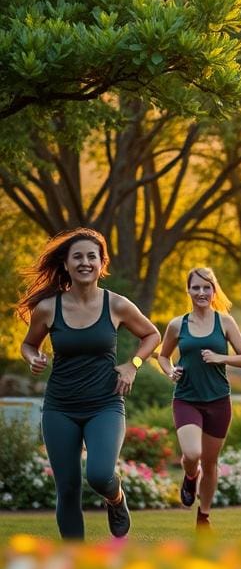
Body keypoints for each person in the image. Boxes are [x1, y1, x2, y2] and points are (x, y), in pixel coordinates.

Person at [17, 228, 161, 541]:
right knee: (67, 488)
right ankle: (75, 564)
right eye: (77, 257)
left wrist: (132, 365)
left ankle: (115, 498)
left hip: (105, 405)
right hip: (60, 407)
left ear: (101, 263)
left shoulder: (117, 305)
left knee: (99, 475)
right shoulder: (48, 308)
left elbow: (152, 335)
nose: (85, 262)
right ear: (66, 265)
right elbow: (28, 344)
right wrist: (32, 357)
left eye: (91, 256)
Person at [157, 267, 241, 531]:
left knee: (210, 462)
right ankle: (190, 476)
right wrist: (169, 370)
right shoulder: (178, 324)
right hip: (187, 398)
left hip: (218, 401)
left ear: (213, 291)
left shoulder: (225, 322)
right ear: (188, 290)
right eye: (195, 287)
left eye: (206, 287)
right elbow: (163, 356)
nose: (201, 292)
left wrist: (221, 357)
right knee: (192, 453)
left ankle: (204, 516)